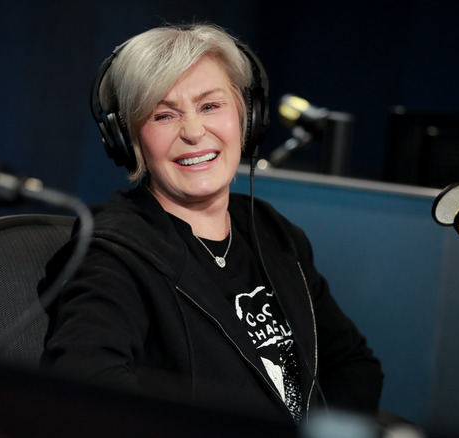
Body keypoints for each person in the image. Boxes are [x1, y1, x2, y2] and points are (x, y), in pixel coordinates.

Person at [41, 23, 383, 425]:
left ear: (248, 116)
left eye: (210, 106)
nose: (193, 132)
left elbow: (353, 364)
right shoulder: (114, 252)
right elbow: (86, 388)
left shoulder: (273, 233)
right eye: (164, 114)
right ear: (128, 139)